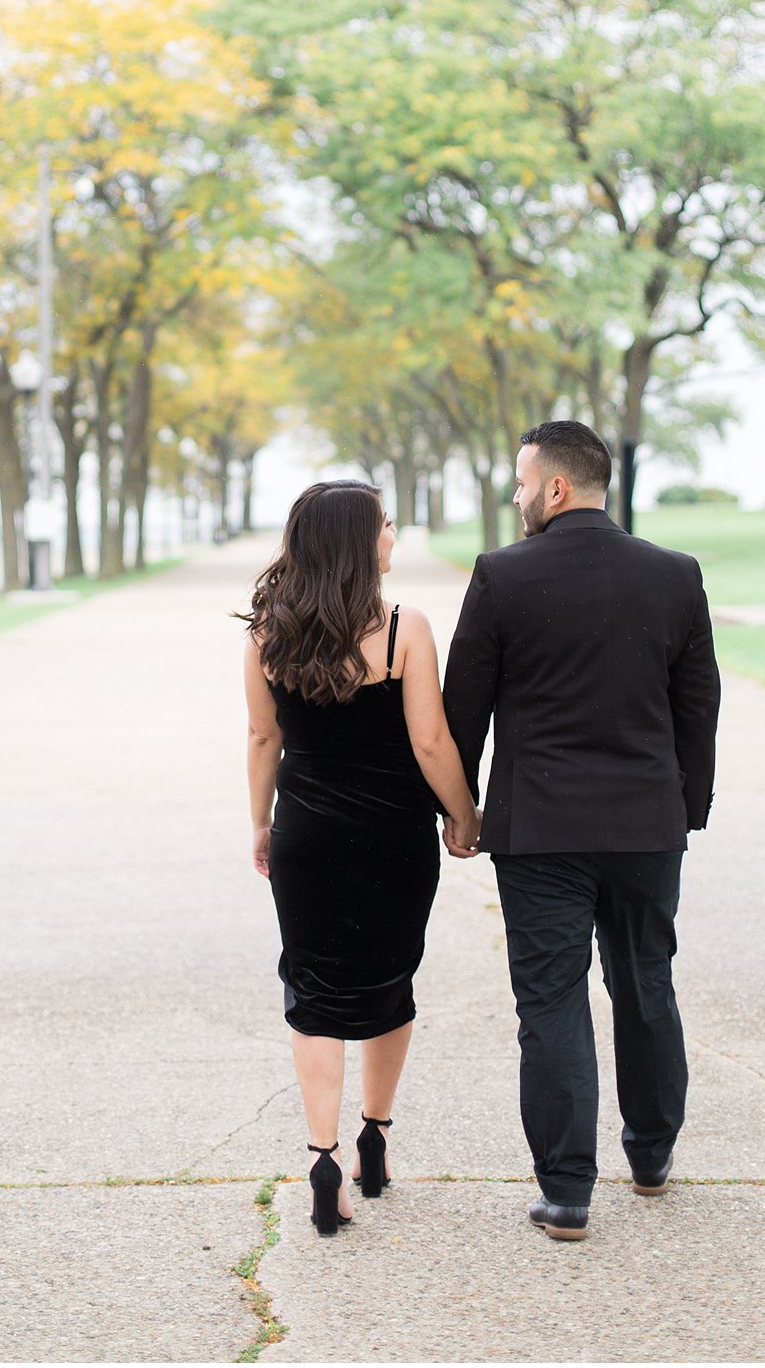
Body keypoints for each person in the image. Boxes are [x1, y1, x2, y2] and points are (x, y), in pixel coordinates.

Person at [442, 420, 722, 1242]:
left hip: (539, 832)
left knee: (550, 1000)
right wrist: (685, 808)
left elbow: (464, 711)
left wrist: (459, 811)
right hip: (644, 826)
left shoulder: (500, 575)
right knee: (644, 982)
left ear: (556, 488)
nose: (518, 496)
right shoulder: (674, 575)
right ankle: (651, 1155)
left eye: (523, 482)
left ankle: (565, 1192)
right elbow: (696, 707)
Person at [241, 480, 481, 1236]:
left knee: (311, 991)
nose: (392, 535)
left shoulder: (265, 633)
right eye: (383, 525)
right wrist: (463, 815)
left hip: (305, 835)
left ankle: (321, 1159)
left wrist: (260, 823)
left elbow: (261, 739)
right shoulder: (404, 628)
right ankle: (374, 1142)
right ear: (353, 541)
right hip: (393, 837)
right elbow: (430, 742)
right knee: (388, 979)